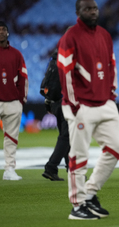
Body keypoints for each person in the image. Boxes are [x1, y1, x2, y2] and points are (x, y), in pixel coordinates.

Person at [57, 0, 119, 220]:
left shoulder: (105, 34)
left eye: (95, 8)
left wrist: (112, 93)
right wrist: (74, 103)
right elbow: (64, 71)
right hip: (81, 105)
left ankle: (90, 193)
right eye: (87, 9)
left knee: (115, 148)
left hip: (105, 102)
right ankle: (77, 206)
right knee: (78, 156)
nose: (93, 12)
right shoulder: (70, 36)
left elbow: (112, 64)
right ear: (78, 12)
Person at [0, 21, 28, 181]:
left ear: (8, 33)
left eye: (4, 30)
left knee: (12, 138)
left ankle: (9, 170)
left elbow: (23, 77)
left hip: (13, 101)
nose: (1, 32)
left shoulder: (16, 54)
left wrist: (21, 99)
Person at [41, 49, 70, 181]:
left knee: (66, 136)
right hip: (67, 102)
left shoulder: (55, 59)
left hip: (55, 102)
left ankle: (72, 169)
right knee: (67, 136)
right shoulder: (71, 58)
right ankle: (51, 167)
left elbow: (47, 82)